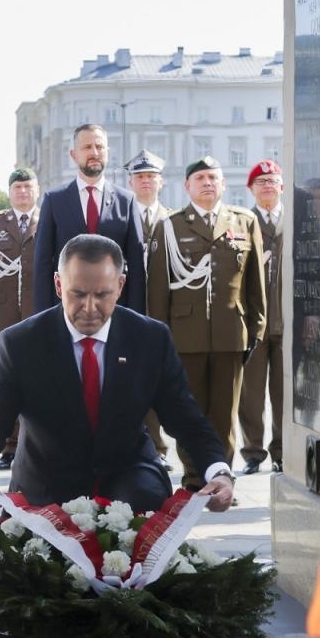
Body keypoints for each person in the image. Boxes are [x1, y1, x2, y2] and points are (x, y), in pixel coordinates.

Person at [0, 234, 235, 514]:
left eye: (102, 295)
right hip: (45, 486)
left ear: (120, 286)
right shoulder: (20, 344)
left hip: (131, 482)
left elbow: (187, 421)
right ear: (58, 285)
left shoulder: (151, 340)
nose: (90, 308)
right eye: (78, 294)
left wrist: (219, 473)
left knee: (144, 505)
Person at [147, 156, 266, 491]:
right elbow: (158, 289)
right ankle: (193, 477)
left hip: (231, 332)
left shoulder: (244, 223)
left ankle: (221, 479)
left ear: (223, 184)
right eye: (200, 178)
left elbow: (255, 283)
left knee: (225, 414)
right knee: (190, 412)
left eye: (213, 177)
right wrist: (159, 336)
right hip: (185, 336)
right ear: (187, 186)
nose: (207, 183)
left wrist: (255, 328)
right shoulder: (169, 226)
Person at [32, 124, 146, 313]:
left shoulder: (126, 201)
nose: (94, 152)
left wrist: (136, 317)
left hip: (115, 310)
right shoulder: (54, 201)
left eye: (99, 147)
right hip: (67, 311)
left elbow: (136, 267)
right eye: (87, 147)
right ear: (73, 154)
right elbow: (43, 265)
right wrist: (44, 318)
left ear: (107, 152)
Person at [0, 167, 40, 469]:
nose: (23, 192)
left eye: (28, 187)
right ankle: (11, 446)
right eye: (17, 187)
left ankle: (38, 445)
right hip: (5, 316)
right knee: (8, 383)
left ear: (36, 190)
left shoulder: (48, 221)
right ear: (9, 192)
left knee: (41, 381)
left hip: (40, 315)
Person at [125, 149, 175, 470]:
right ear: (130, 182)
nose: (146, 182)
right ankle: (131, 445)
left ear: (161, 182)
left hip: (163, 315)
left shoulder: (174, 221)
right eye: (140, 176)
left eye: (151, 176)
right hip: (127, 311)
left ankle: (157, 448)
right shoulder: (118, 217)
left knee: (159, 382)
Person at [238, 160, 285, 474]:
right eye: (261, 182)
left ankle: (283, 451)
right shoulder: (241, 223)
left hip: (289, 321)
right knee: (251, 394)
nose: (267, 186)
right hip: (254, 322)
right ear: (251, 189)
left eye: (272, 181)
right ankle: (253, 453)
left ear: (281, 186)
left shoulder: (297, 221)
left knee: (285, 393)